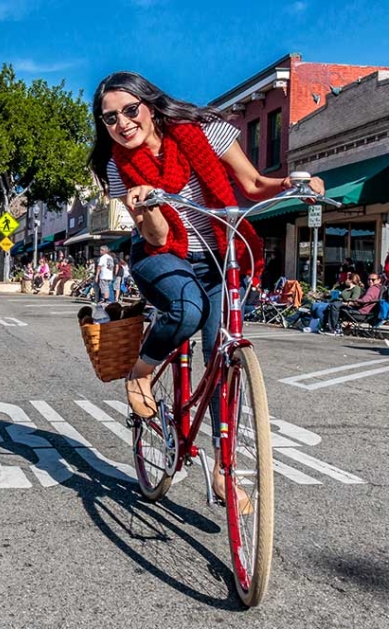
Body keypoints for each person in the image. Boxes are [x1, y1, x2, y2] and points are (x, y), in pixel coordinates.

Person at [89, 71, 324, 503]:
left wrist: (294, 184)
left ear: (150, 104)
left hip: (221, 255)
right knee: (188, 310)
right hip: (163, 257)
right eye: (109, 118)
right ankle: (140, 374)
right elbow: (156, 238)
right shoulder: (119, 166)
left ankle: (224, 469)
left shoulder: (206, 132)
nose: (121, 123)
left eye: (129, 110)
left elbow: (254, 185)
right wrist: (148, 202)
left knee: (222, 351)